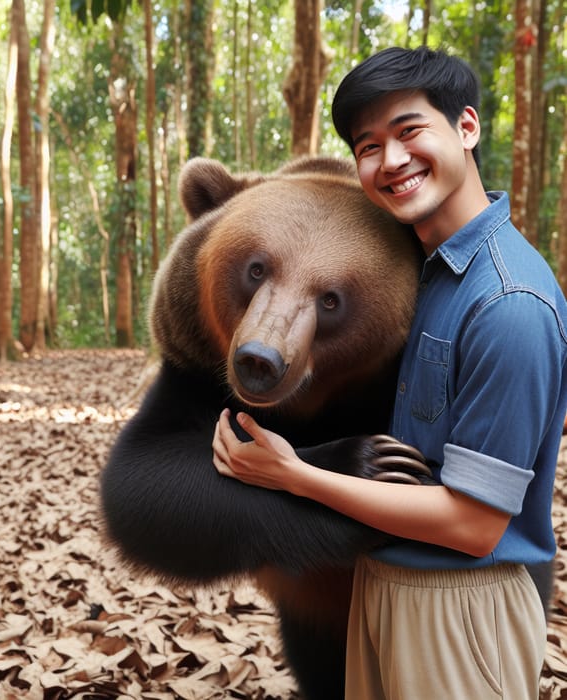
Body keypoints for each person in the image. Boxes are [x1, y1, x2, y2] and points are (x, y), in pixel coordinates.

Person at [212, 46, 567, 700]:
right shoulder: (425, 275)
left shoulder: (510, 304)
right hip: (384, 585)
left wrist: (297, 476)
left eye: (409, 132)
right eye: (368, 146)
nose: (391, 160)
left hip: (461, 606)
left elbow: (474, 523)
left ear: (466, 128)